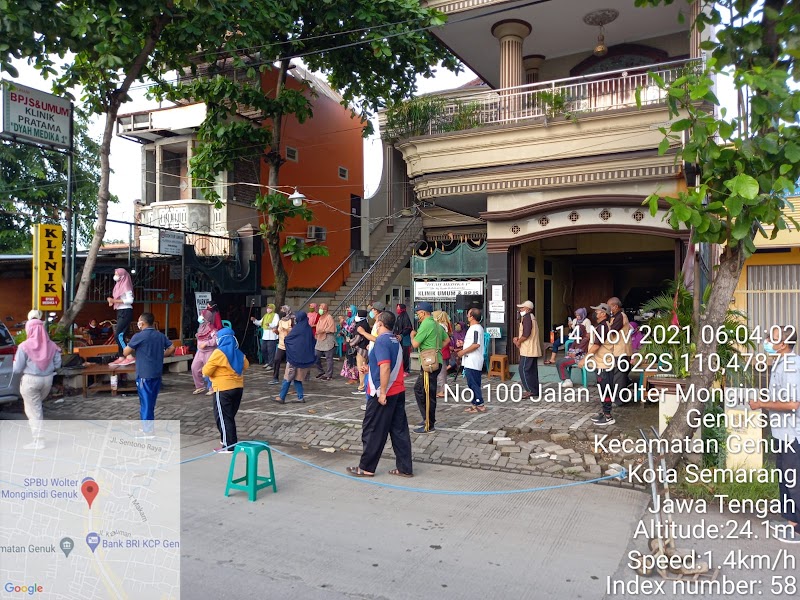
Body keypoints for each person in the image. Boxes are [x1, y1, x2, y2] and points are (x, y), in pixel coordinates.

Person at [748, 325, 800, 543]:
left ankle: (797, 528)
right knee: (784, 477)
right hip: (781, 432)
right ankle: (789, 520)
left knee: (794, 479)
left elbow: (792, 403)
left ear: (784, 343)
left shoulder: (791, 366)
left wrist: (762, 403)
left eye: (773, 338)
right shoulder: (781, 361)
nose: (767, 340)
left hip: (792, 434)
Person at [346, 311, 413, 478]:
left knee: (372, 429)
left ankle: (366, 467)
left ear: (381, 324)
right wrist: (370, 368)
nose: (375, 324)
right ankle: (405, 467)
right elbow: (387, 363)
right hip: (398, 389)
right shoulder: (394, 339)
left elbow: (385, 367)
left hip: (384, 392)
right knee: (399, 430)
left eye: (376, 321)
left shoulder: (382, 340)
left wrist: (382, 392)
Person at [13, 316, 61, 449]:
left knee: (34, 411)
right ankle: (38, 437)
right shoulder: (51, 345)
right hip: (48, 380)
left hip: (30, 380)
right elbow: (58, 364)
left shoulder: (24, 346)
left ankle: (38, 440)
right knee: (37, 408)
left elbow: (17, 369)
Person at [123, 312, 175, 435]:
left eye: (139, 321)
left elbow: (126, 352)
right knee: (150, 401)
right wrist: (162, 355)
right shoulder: (160, 335)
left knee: (145, 402)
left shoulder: (138, 336)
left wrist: (127, 344)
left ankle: (147, 430)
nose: (138, 323)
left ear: (143, 322)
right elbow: (172, 348)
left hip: (144, 374)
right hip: (157, 373)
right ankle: (147, 426)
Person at [203, 327, 249, 453]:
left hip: (223, 389)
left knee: (222, 418)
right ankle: (226, 440)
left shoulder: (219, 353)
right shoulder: (238, 352)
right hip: (238, 388)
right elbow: (246, 365)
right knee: (228, 417)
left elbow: (206, 371)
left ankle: (229, 446)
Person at [411, 301, 448, 433]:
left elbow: (415, 344)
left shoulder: (426, 324)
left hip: (429, 363)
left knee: (427, 393)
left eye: (418, 313)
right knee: (420, 389)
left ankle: (429, 423)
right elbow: (447, 340)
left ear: (423, 312)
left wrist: (412, 335)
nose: (417, 316)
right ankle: (427, 418)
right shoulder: (436, 324)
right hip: (435, 360)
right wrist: (436, 349)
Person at [274, 311, 316, 404]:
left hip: (294, 357)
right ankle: (300, 397)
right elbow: (313, 342)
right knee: (297, 378)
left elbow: (288, 339)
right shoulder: (308, 329)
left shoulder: (297, 328)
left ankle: (282, 397)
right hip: (304, 358)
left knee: (287, 378)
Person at [583, 303, 615, 426]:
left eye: (597, 311)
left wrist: (584, 359)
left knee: (605, 389)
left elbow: (596, 345)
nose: (596, 313)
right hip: (602, 363)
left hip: (604, 364)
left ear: (603, 313)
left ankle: (608, 416)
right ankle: (605, 412)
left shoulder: (603, 327)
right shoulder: (603, 326)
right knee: (603, 389)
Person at [512, 300, 542, 399]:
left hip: (528, 349)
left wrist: (518, 341)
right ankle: (535, 390)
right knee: (532, 370)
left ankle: (530, 390)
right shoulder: (531, 317)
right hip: (532, 348)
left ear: (528, 309)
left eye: (522, 308)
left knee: (523, 369)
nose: (520, 310)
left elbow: (526, 334)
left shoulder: (527, 318)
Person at [458, 308, 485, 413]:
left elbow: (476, 344)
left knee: (473, 383)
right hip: (470, 360)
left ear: (472, 317)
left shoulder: (476, 329)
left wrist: (463, 352)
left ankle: (479, 404)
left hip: (473, 361)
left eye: (468, 314)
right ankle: (474, 404)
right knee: (472, 383)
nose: (467, 316)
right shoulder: (473, 328)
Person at [606, 296, 632, 406]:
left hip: (620, 350)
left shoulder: (620, 317)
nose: (608, 309)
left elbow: (612, 332)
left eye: (609, 306)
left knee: (619, 376)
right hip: (619, 350)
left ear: (615, 306)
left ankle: (618, 400)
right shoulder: (616, 316)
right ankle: (622, 396)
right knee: (619, 375)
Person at [556, 308, 590, 387]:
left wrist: (573, 353)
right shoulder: (576, 339)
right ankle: (566, 380)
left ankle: (567, 381)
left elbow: (581, 350)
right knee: (558, 361)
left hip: (580, 357)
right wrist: (570, 353)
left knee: (562, 363)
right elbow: (571, 348)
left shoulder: (585, 339)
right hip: (574, 356)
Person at [107, 268, 135, 364]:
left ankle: (129, 356)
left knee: (118, 335)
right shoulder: (119, 285)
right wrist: (112, 301)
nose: (115, 276)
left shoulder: (126, 286)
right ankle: (121, 356)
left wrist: (115, 301)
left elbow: (130, 300)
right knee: (121, 335)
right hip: (120, 311)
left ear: (122, 275)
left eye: (117, 274)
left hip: (126, 311)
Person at [191, 309, 217, 395]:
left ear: (206, 317)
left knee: (209, 369)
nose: (200, 317)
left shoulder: (212, 328)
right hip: (200, 351)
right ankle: (200, 386)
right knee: (194, 367)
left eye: (202, 315)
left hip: (209, 351)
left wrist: (206, 343)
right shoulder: (201, 327)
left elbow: (216, 340)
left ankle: (212, 388)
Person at [349, 309, 371, 394]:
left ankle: (362, 387)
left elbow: (358, 338)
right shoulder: (365, 323)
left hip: (362, 350)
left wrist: (350, 342)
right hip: (364, 348)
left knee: (361, 368)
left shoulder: (361, 325)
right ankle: (363, 386)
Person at [432, 310, 453, 397]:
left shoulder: (440, 326)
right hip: (444, 351)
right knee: (441, 372)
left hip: (442, 352)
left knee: (441, 373)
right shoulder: (445, 325)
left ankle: (443, 391)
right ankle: (442, 390)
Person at [271, 305, 294, 384]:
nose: (281, 312)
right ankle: (275, 378)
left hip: (290, 345)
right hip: (281, 344)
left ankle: (290, 378)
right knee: (277, 359)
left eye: (282, 310)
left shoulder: (292, 320)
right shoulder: (280, 321)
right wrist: (275, 331)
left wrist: (287, 330)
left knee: (290, 362)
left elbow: (294, 331)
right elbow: (278, 331)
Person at [314, 303, 336, 380]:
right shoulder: (320, 317)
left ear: (326, 310)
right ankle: (321, 371)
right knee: (316, 356)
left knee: (329, 358)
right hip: (320, 339)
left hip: (328, 340)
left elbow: (332, 329)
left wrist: (323, 330)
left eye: (321, 308)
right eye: (319, 307)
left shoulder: (329, 317)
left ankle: (329, 374)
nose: (320, 309)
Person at [394, 303, 413, 373]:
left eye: (398, 308)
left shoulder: (405, 317)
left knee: (405, 355)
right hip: (400, 339)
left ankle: (406, 370)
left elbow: (407, 328)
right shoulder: (399, 317)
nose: (397, 310)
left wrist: (401, 335)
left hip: (405, 339)